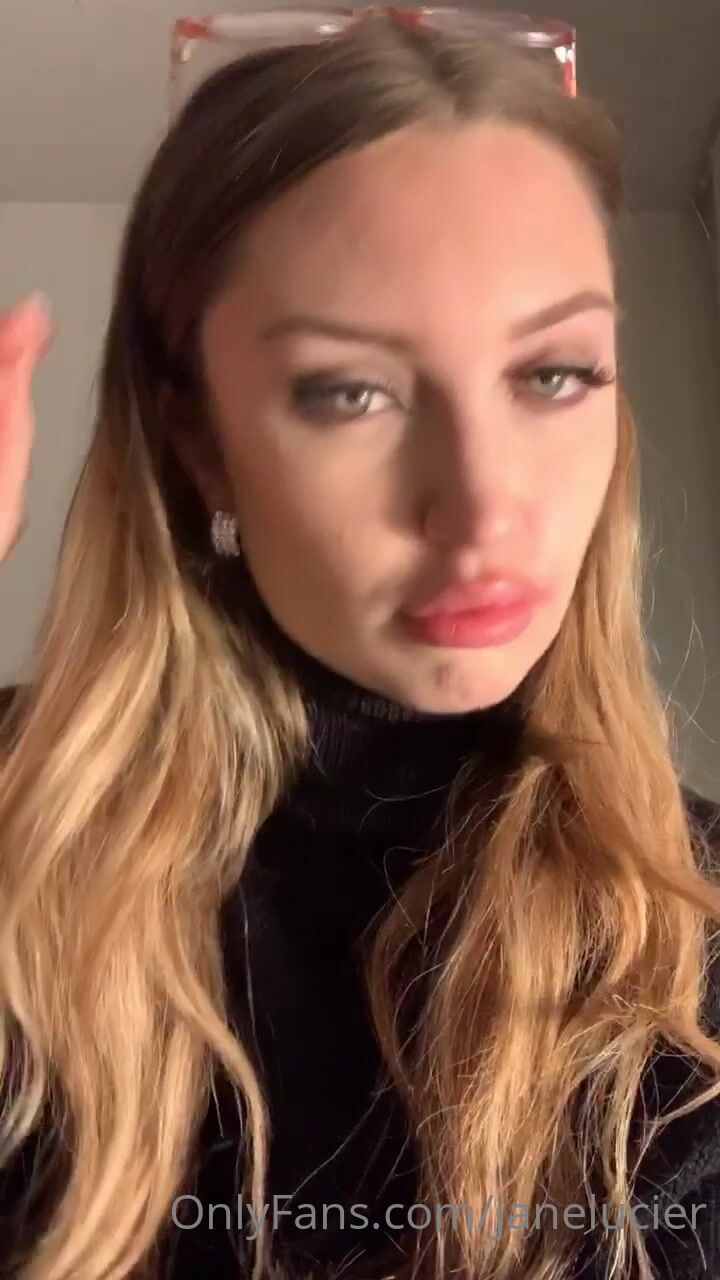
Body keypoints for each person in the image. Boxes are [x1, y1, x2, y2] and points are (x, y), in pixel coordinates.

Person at [1, 9, 720, 1280]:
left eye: (554, 374)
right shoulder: (19, 845)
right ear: (198, 439)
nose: (483, 509)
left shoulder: (697, 926)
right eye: (352, 391)